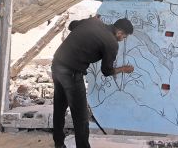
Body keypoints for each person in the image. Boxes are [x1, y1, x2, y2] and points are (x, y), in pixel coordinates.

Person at [51, 16, 134, 148]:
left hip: (57, 64)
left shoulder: (94, 21)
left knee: (60, 108)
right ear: (119, 33)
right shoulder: (111, 43)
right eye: (124, 37)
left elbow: (72, 25)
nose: (122, 40)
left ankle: (59, 143)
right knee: (81, 116)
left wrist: (87, 23)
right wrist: (123, 69)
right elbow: (106, 71)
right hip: (71, 72)